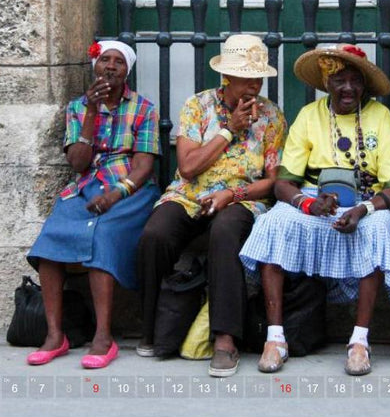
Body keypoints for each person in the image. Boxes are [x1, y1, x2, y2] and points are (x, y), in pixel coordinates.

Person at [239, 44, 390, 376]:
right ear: (326, 84)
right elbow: (285, 182)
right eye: (339, 81)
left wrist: (361, 210)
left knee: (374, 232)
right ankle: (275, 338)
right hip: (315, 197)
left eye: (355, 81)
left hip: (367, 200)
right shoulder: (309, 115)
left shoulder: (379, 115)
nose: (347, 89)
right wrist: (309, 203)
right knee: (275, 223)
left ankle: (359, 342)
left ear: (365, 85)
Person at [136, 34, 287, 377]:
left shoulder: (271, 117)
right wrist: (229, 130)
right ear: (227, 77)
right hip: (190, 193)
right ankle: (151, 330)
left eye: (257, 77)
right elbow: (187, 167)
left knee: (225, 233)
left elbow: (274, 181)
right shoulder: (198, 106)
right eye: (245, 77)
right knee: (155, 234)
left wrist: (233, 196)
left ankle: (225, 339)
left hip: (242, 198)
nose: (253, 85)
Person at [25, 40, 160, 369]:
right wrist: (90, 112)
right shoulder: (77, 108)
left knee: (102, 237)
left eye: (118, 62)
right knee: (50, 240)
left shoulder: (143, 109)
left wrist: (115, 195)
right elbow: (78, 163)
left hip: (130, 190)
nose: (111, 67)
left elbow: (143, 168)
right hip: (86, 187)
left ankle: (103, 336)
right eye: (105, 61)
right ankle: (56, 335)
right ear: (95, 67)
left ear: (127, 71)